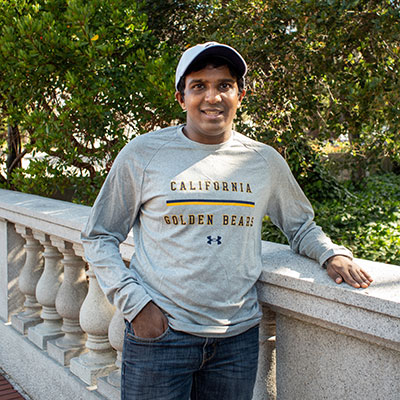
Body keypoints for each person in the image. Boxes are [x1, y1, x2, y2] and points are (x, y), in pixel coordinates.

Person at [81, 42, 373, 400]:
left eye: (223, 85)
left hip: (237, 340)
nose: (212, 97)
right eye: (199, 85)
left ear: (239, 94)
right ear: (181, 98)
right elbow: (99, 235)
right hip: (160, 336)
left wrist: (330, 254)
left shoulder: (263, 160)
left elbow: (300, 225)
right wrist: (136, 305)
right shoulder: (143, 154)